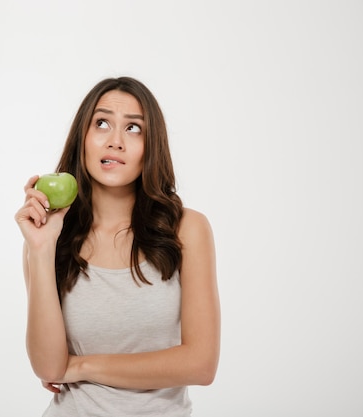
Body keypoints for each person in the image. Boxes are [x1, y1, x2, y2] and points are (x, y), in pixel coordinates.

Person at [14, 76, 220, 416]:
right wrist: (41, 247)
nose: (115, 141)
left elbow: (201, 364)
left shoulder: (187, 229)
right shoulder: (49, 239)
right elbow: (50, 367)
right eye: (102, 123)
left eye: (134, 129)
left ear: (152, 146)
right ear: (83, 138)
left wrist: (81, 367)